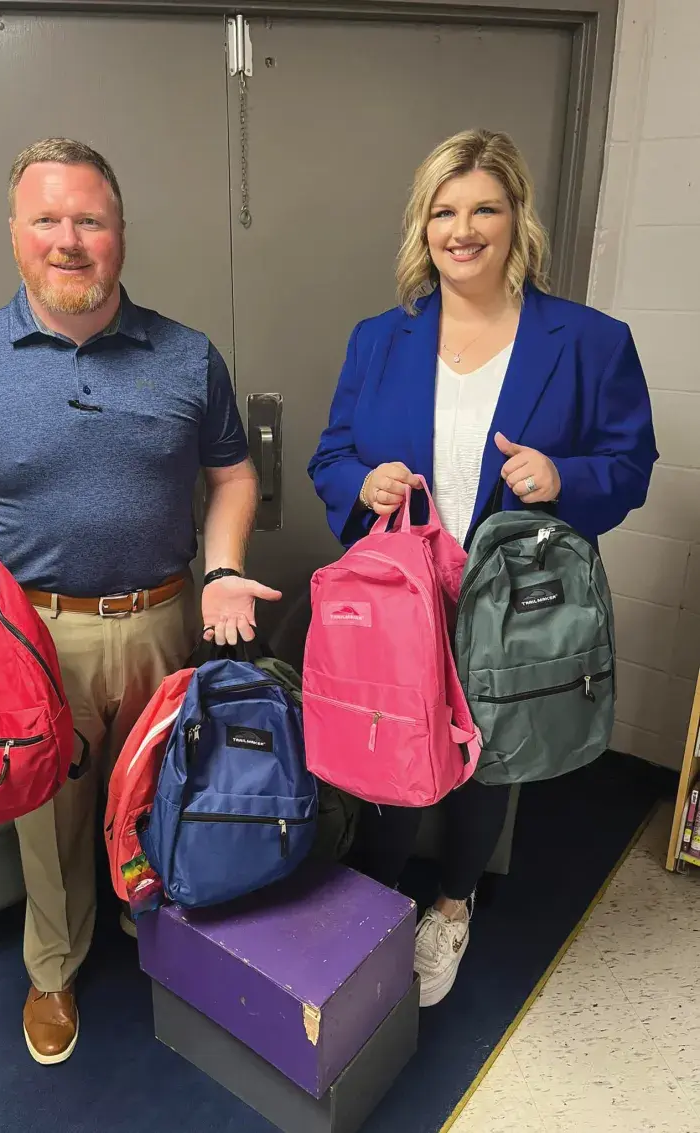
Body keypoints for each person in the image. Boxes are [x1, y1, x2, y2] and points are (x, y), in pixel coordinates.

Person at [0, 137, 280, 1063]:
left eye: (89, 220)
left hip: (164, 619)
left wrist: (224, 567)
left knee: (165, 791)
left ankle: (161, 926)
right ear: (15, 234)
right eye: (47, 220)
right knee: (49, 819)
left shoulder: (187, 355)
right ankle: (54, 967)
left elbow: (232, 474)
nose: (68, 240)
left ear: (120, 233)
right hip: (30, 639)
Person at [307, 128, 657, 1007]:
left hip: (509, 601)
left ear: (517, 219)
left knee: (487, 759)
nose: (462, 230)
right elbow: (331, 455)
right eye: (444, 211)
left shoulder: (589, 341)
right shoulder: (381, 340)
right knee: (390, 754)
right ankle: (376, 897)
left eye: (484, 209)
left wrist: (563, 477)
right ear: (422, 225)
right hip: (404, 598)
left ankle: (453, 905)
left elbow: (630, 464)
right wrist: (362, 483)